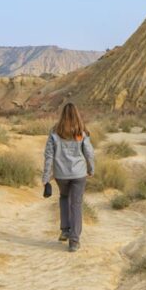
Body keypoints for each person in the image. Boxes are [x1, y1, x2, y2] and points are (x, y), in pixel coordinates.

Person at [42, 103, 95, 252]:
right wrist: (91, 169)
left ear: (62, 115)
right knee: (76, 204)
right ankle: (74, 241)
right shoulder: (81, 132)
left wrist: (46, 177)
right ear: (77, 114)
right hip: (79, 174)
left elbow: (48, 156)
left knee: (64, 197)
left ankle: (65, 229)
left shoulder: (54, 132)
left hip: (61, 175)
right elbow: (89, 153)